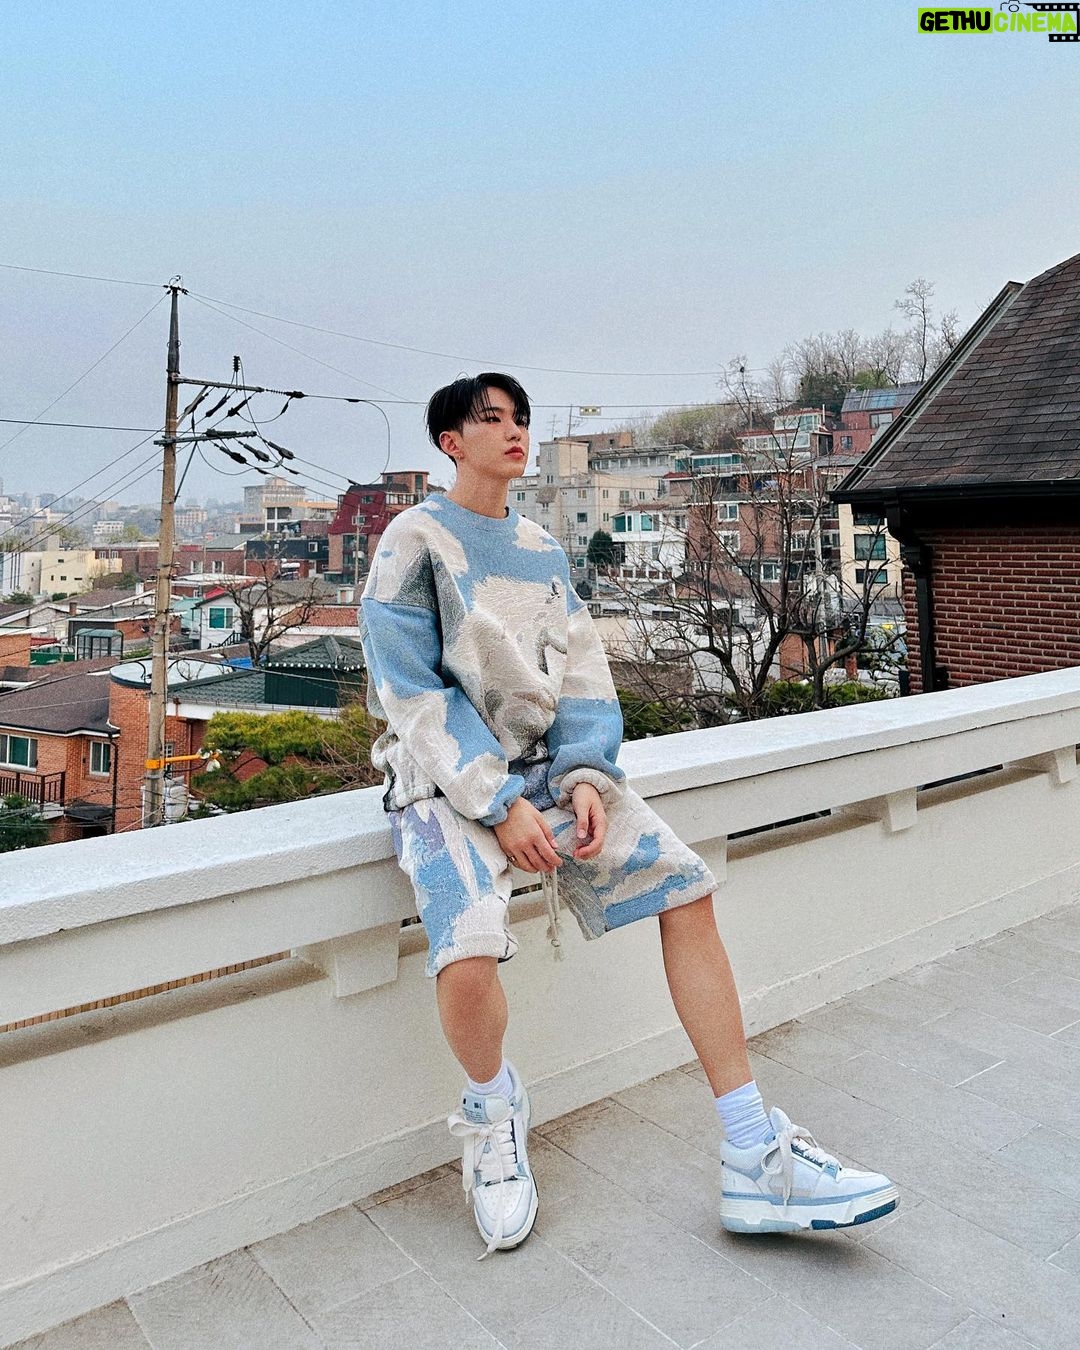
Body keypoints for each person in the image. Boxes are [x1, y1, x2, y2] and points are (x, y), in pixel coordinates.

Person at [358, 373, 898, 1258]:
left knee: (687, 889)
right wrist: (496, 802)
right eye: (491, 419)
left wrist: (582, 775)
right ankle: (494, 1111)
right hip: (442, 784)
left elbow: (582, 670)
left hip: (550, 773)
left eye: (521, 418)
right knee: (467, 950)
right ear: (450, 441)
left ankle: (753, 1151)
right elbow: (409, 692)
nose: (514, 431)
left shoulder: (541, 548)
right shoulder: (412, 541)